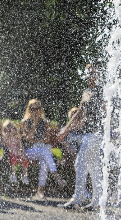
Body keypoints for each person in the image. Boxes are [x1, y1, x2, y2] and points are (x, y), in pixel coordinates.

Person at [58, 63, 104, 210]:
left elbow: (106, 112)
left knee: (80, 164)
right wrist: (66, 128)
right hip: (90, 134)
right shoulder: (86, 92)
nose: (89, 76)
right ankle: (97, 202)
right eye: (87, 73)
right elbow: (79, 113)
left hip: (96, 134)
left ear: (98, 74)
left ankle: (77, 199)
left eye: (92, 73)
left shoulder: (101, 91)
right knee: (94, 167)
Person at [21, 99, 66, 199]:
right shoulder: (25, 122)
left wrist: (35, 140)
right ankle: (56, 175)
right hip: (28, 152)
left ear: (40, 110)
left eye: (37, 108)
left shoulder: (45, 122)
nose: (35, 111)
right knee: (45, 152)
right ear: (29, 110)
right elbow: (28, 140)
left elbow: (47, 139)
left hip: (41, 151)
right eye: (32, 109)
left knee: (44, 161)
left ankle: (40, 190)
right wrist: (34, 125)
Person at [2, 120, 28, 185]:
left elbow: (21, 147)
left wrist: (22, 153)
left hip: (16, 153)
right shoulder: (6, 138)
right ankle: (13, 175)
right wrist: (6, 137)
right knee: (14, 159)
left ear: (15, 130)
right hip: (9, 154)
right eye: (7, 130)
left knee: (25, 159)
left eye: (11, 129)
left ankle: (25, 175)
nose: (10, 131)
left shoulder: (17, 138)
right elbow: (3, 145)